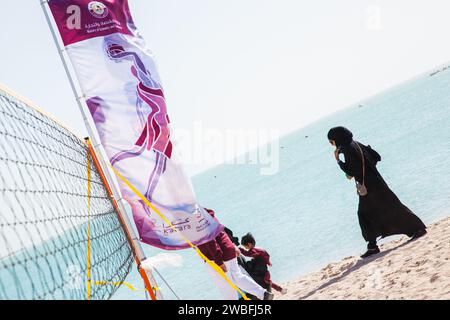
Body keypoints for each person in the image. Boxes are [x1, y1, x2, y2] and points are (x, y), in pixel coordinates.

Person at [327, 126, 427, 258]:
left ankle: (375, 246)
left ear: (337, 138)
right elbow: (375, 156)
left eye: (331, 142)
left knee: (365, 214)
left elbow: (353, 171)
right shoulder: (356, 143)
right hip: (376, 181)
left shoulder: (347, 148)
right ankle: (413, 230)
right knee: (389, 207)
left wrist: (339, 161)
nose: (332, 145)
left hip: (369, 187)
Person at [198, 208, 274, 300]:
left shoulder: (196, 220)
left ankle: (261, 294)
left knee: (225, 285)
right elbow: (222, 231)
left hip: (219, 255)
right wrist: (233, 245)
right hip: (228, 248)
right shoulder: (206, 214)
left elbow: (210, 240)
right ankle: (264, 294)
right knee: (237, 277)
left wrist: (218, 261)